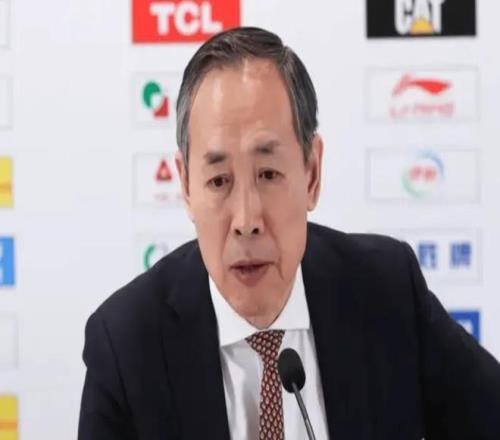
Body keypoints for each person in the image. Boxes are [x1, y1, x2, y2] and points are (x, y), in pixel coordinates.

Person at [78, 27, 500, 440]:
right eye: (219, 181)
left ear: (311, 173)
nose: (246, 219)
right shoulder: (126, 346)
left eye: (268, 174)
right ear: (186, 186)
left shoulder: (388, 293)